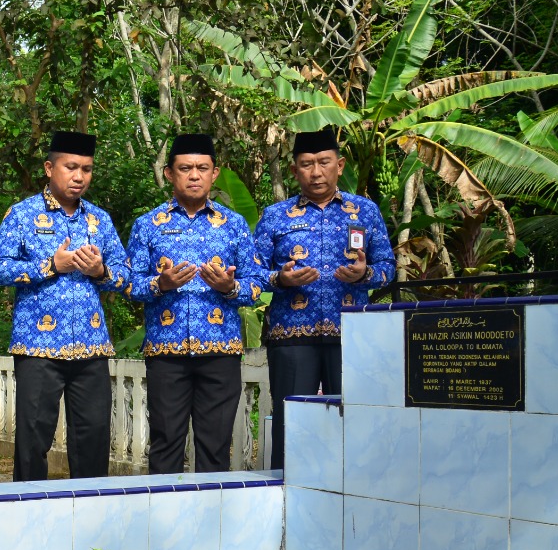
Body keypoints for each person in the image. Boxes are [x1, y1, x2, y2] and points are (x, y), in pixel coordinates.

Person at [0, 130, 131, 481]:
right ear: (50, 168)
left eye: (86, 169)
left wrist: (100, 271)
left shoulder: (99, 220)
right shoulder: (21, 215)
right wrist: (51, 265)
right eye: (71, 167)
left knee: (94, 438)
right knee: (32, 440)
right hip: (38, 348)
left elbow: (126, 277)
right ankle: (28, 512)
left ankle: (88, 518)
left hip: (91, 348)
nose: (79, 176)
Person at [254, 126, 395, 469]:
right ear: (294, 170)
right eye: (306, 164)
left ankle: (354, 499)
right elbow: (254, 274)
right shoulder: (275, 216)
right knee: (291, 425)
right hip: (291, 337)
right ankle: (285, 498)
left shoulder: (364, 211)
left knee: (353, 423)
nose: (316, 172)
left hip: (351, 335)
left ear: (340, 165)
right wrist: (281, 278)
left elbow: (389, 266)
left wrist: (366, 275)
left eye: (323, 162)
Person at [127, 133, 268, 473]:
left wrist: (231, 287)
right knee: (165, 445)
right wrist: (159, 284)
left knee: (215, 448)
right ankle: (163, 522)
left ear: (214, 173)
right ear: (169, 173)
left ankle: (210, 523)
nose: (194, 175)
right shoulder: (147, 225)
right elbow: (129, 285)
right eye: (185, 168)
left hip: (220, 353)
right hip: (166, 354)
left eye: (202, 168)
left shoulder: (234, 225)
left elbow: (258, 283)